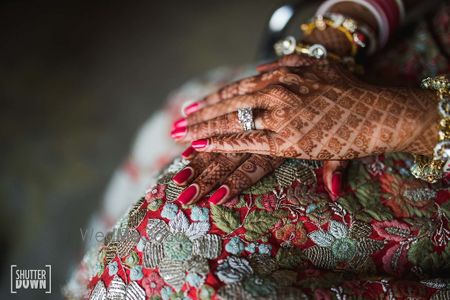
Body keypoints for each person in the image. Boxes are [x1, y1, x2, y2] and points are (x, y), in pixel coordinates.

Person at [65, 0, 450, 299]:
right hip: (415, 50)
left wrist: (399, 118)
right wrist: (331, 43)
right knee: (179, 127)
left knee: (166, 257)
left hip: (429, 147)